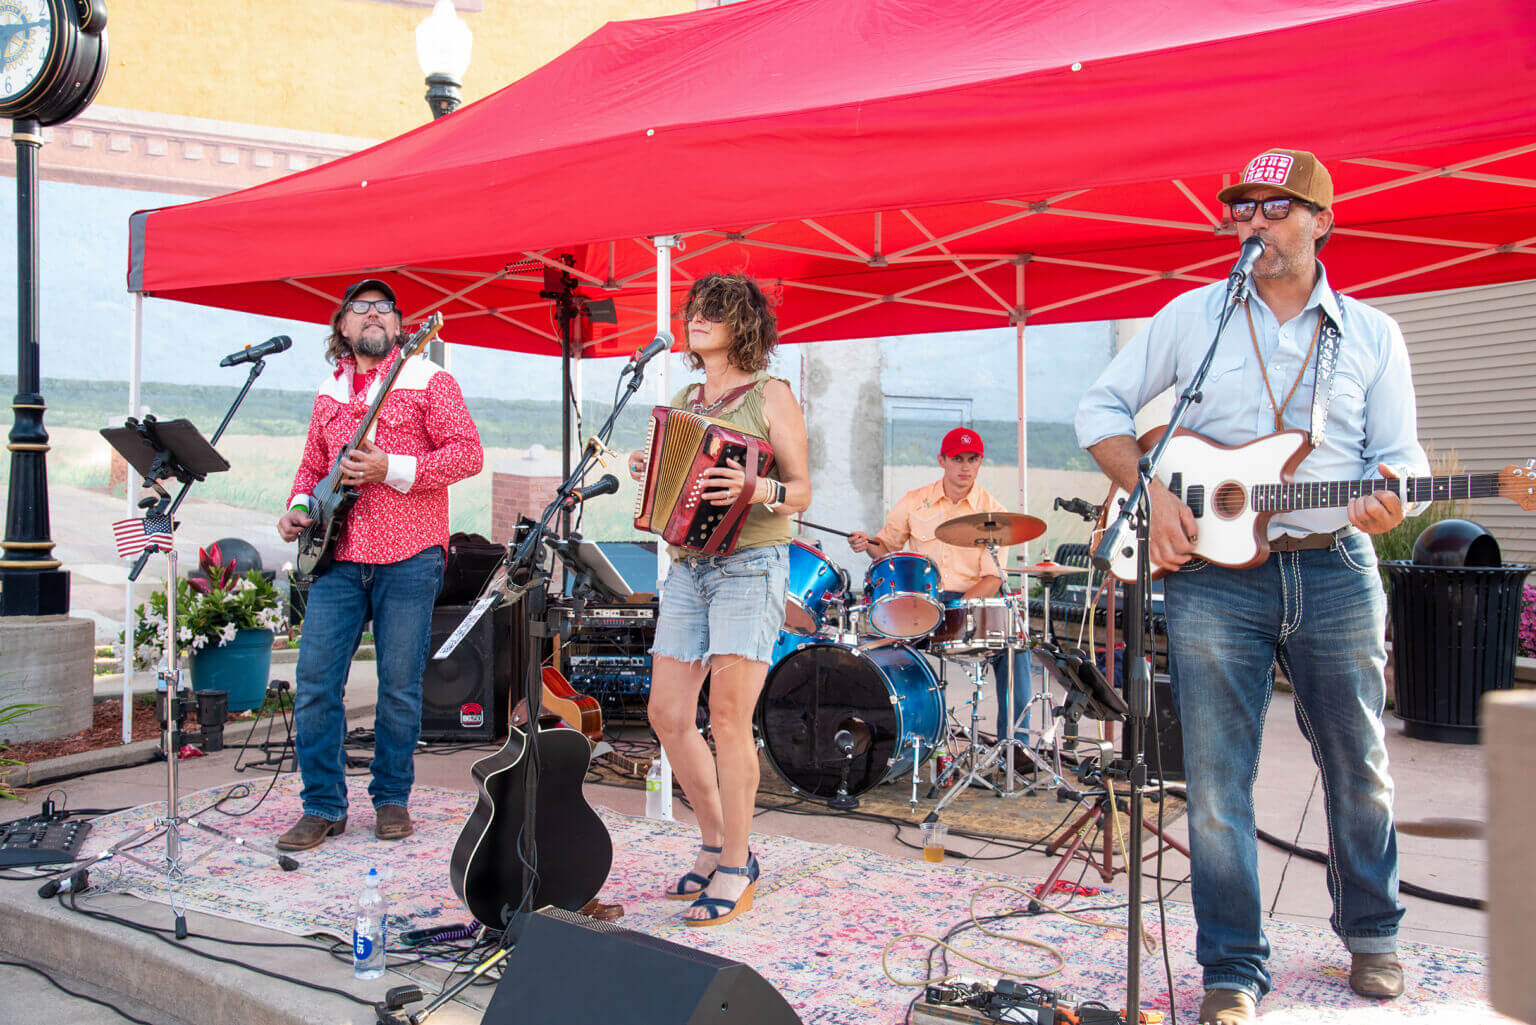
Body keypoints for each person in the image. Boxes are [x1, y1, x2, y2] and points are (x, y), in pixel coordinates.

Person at [1075, 149, 1425, 1024]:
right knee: (1219, 779)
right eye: (1242, 209)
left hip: (1335, 562)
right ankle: (1232, 965)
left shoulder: (1371, 333)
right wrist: (1150, 489)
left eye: (1276, 207)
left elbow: (1406, 458)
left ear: (1321, 222)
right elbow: (1099, 412)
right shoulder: (1193, 317)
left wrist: (1392, 494)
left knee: (1358, 763)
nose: (1254, 222)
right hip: (1211, 578)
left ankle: (1374, 934)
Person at [275, 278, 483, 851]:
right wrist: (296, 509)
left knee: (398, 689)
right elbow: (311, 468)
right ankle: (322, 805)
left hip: (410, 555)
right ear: (342, 327)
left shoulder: (428, 380)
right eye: (360, 308)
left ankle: (391, 799)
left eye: (384, 309)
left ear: (398, 327)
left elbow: (467, 453)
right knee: (316, 685)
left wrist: (390, 467)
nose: (373, 315)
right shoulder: (328, 392)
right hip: (337, 557)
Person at [628, 272, 810, 927]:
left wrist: (753, 488)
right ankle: (711, 839)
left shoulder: (771, 395)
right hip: (688, 567)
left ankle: (737, 861)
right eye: (694, 310)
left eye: (714, 311)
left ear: (744, 325)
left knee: (729, 719)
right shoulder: (685, 396)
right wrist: (648, 472)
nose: (697, 318)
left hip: (750, 567)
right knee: (667, 712)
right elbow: (674, 477)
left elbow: (802, 492)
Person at [848, 428, 1032, 755]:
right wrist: (867, 544)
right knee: (870, 646)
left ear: (980, 462)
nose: (965, 467)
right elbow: (886, 547)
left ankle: (1014, 750)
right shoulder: (915, 500)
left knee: (1017, 647)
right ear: (942, 461)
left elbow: (993, 580)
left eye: (972, 459)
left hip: (968, 602)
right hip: (919, 602)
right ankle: (880, 742)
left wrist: (958, 608)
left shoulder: (993, 511)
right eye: (957, 459)